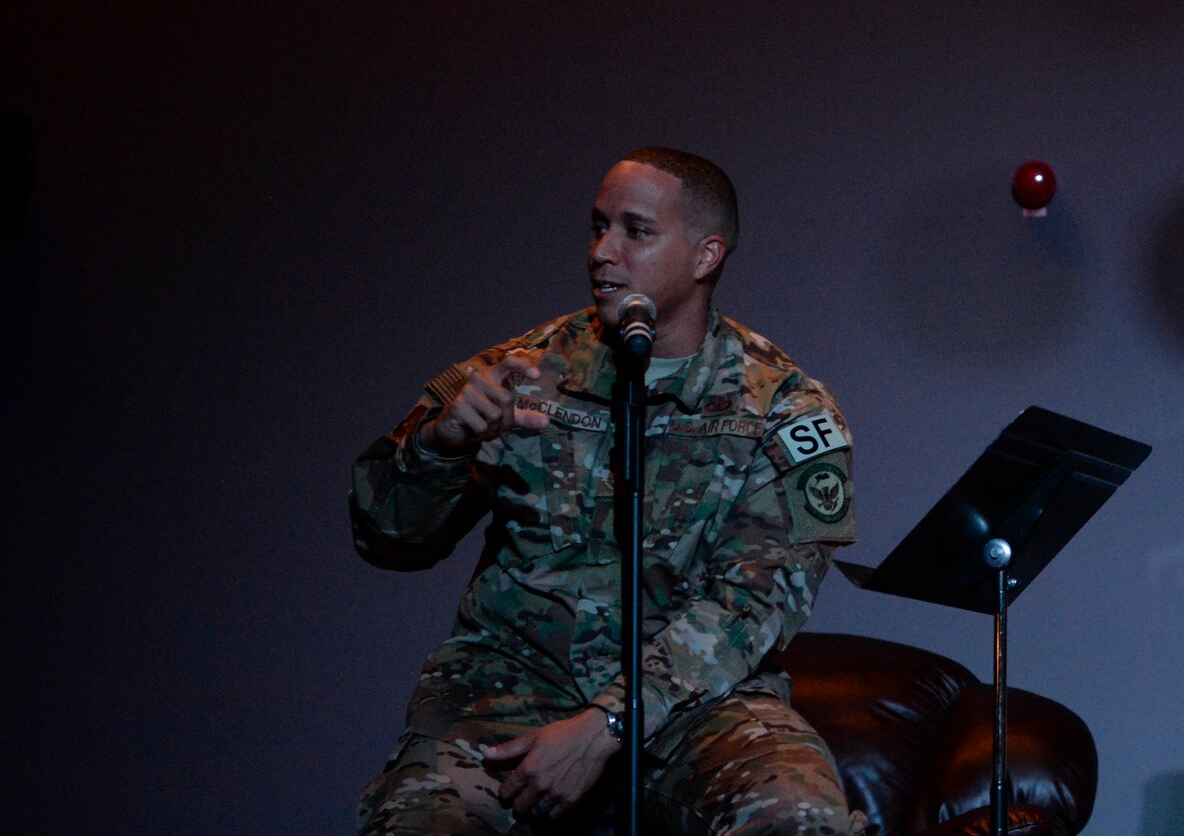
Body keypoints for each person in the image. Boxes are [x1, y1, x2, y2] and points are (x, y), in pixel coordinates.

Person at [352, 148, 858, 834]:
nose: (602, 251)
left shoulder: (785, 407)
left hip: (695, 701)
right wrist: (441, 444)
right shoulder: (520, 372)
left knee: (800, 816)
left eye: (635, 231)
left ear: (706, 255)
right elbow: (385, 537)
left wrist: (608, 720)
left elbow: (750, 604)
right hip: (510, 682)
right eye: (597, 226)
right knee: (423, 824)